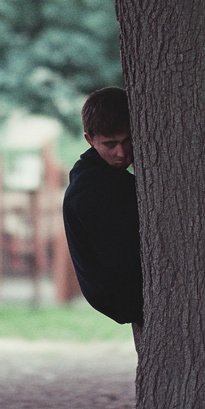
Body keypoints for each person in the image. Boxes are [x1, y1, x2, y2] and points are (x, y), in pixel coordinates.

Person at [62, 87, 144, 336]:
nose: (121, 153)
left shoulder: (100, 177)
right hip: (122, 296)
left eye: (127, 140)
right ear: (90, 140)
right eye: (110, 144)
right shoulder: (92, 191)